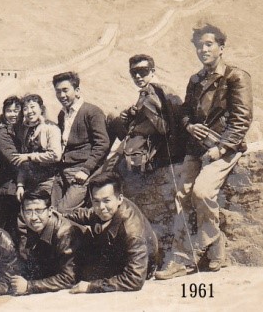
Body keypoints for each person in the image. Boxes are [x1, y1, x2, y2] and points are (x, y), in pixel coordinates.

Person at [155, 24, 253, 280]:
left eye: (209, 44)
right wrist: (189, 125)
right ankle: (203, 249)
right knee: (182, 195)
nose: (203, 50)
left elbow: (242, 120)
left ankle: (197, 251)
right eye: (199, 46)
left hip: (225, 147)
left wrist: (221, 148)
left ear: (221, 48)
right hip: (196, 148)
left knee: (202, 191)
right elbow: (185, 112)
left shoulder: (236, 77)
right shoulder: (196, 80)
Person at [65, 172, 158, 294]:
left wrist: (91, 286)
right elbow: (87, 214)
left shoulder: (131, 230)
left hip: (137, 267)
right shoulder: (107, 209)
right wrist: (58, 215)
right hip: (113, 253)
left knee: (81, 274)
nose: (101, 207)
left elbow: (135, 279)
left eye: (106, 201)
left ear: (120, 199)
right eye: (96, 201)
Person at [108, 55, 184, 197]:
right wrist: (131, 114)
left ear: (152, 71)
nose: (137, 76)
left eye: (142, 71)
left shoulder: (155, 93)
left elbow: (164, 128)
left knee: (113, 178)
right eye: (133, 73)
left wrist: (145, 111)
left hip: (149, 148)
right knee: (113, 118)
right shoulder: (149, 91)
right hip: (140, 141)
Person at [51, 72, 110, 211]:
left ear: (77, 90)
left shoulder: (92, 112)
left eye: (65, 90)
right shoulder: (62, 114)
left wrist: (86, 170)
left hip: (81, 171)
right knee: (50, 211)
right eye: (58, 91)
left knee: (62, 211)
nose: (61, 95)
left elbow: (102, 143)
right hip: (62, 171)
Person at [10, 188, 82, 295]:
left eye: (39, 211)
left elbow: (68, 278)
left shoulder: (64, 232)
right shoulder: (34, 227)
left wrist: (29, 286)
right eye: (28, 211)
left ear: (50, 210)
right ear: (22, 212)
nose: (33, 217)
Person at [11, 94, 62, 201]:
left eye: (32, 107)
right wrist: (20, 184)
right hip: (29, 182)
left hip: (48, 181)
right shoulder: (24, 130)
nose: (29, 111)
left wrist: (30, 157)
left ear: (41, 109)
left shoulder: (51, 128)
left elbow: (56, 155)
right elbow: (22, 160)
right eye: (25, 108)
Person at [0, 96, 23, 241]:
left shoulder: (23, 130)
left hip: (20, 186)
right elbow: (15, 161)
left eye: (16, 110)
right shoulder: (3, 134)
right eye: (9, 111)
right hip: (8, 189)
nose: (13, 114)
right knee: (9, 231)